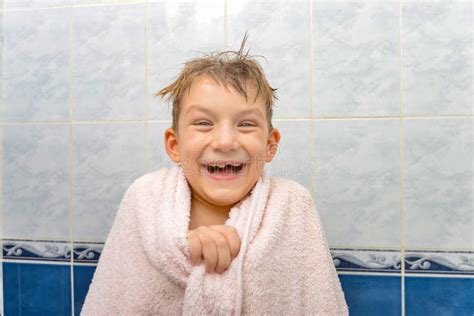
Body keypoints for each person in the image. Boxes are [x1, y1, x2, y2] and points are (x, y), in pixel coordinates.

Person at [81, 34, 349, 315]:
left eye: (246, 124)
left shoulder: (292, 206)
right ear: (175, 145)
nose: (224, 141)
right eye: (203, 123)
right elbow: (115, 299)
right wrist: (184, 247)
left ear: (270, 145)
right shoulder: (146, 201)